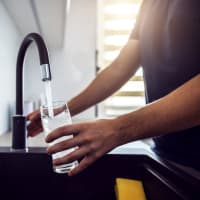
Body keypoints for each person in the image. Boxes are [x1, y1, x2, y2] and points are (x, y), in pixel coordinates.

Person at [27, 0, 200, 176]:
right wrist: (63, 111)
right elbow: (119, 68)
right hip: (167, 155)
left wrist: (118, 129)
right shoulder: (149, 4)